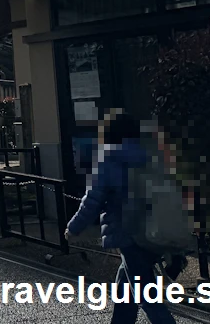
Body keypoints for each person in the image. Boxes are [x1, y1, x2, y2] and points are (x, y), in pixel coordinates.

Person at [65, 112, 177, 324]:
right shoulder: (152, 156)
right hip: (155, 231)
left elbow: (92, 201)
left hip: (127, 234)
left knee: (146, 296)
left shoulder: (108, 160)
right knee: (125, 286)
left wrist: (73, 228)